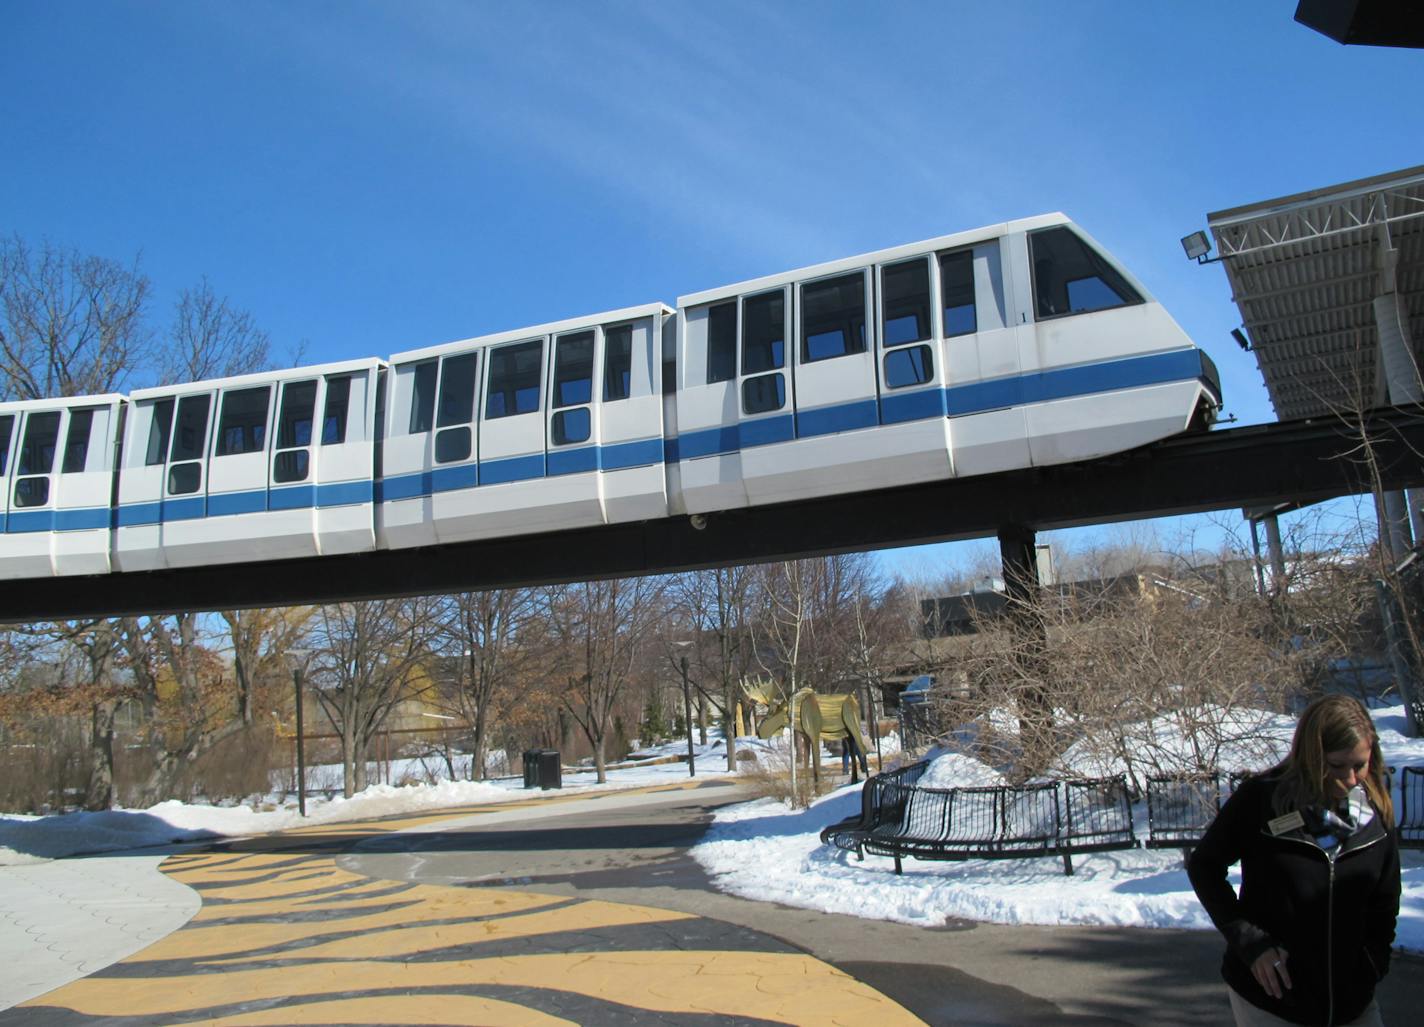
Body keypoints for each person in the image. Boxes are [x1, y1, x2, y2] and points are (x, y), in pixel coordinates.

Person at [1187, 694, 1400, 1026]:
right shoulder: (1261, 800)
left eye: (1360, 764)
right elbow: (1204, 867)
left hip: (1353, 1002)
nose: (1351, 778)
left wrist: (1373, 964)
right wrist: (1250, 943)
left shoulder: (1375, 813)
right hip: (1272, 1000)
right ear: (1311, 757)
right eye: (1337, 766)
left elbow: (1384, 902)